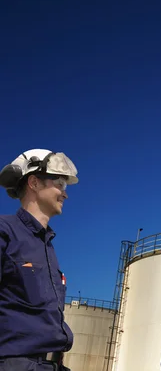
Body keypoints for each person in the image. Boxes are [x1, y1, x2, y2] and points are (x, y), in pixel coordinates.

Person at [0, 149, 78, 371]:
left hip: (49, 364)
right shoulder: (5, 231)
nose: (65, 194)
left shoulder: (47, 247)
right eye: (60, 184)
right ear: (34, 182)